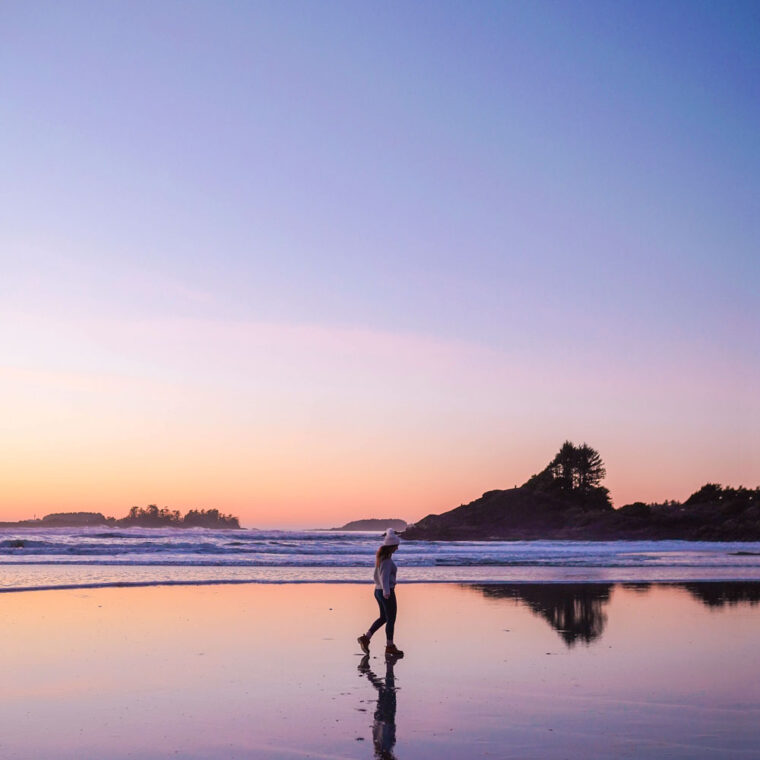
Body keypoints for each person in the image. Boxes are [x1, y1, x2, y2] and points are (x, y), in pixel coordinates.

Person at [357, 529, 404, 657]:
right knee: (391, 619)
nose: (397, 548)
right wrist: (387, 591)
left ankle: (366, 638)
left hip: (378, 590)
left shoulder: (381, 558)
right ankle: (390, 646)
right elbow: (384, 577)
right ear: (392, 546)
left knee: (384, 617)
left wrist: (382, 589)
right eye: (396, 546)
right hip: (385, 591)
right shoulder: (387, 561)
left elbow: (377, 576)